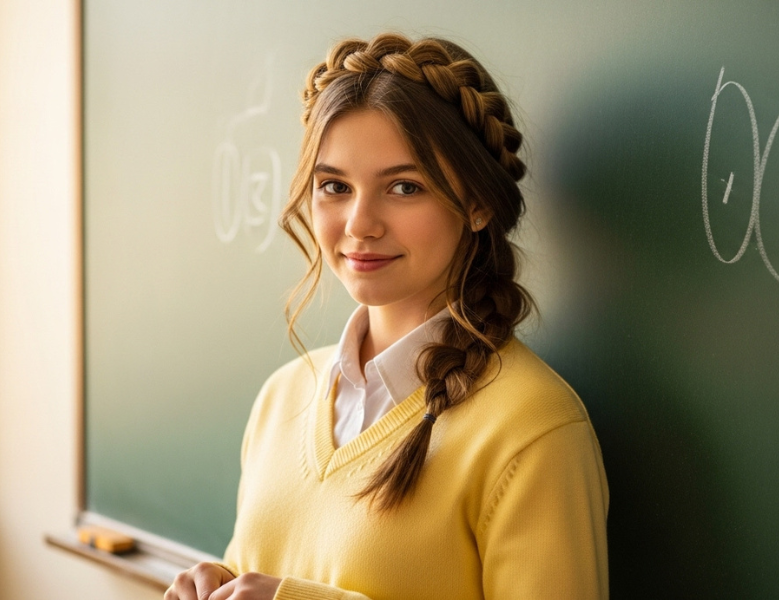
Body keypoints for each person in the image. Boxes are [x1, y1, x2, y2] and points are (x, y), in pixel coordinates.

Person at [165, 32, 609, 600]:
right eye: (334, 186)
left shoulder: (533, 430)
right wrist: (220, 585)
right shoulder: (282, 397)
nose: (359, 224)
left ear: (477, 204)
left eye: (404, 187)